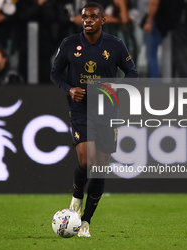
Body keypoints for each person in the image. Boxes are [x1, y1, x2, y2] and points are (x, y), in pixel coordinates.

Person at [50, 2, 138, 237]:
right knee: (85, 158)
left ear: (103, 20)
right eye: (84, 16)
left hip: (107, 111)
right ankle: (77, 196)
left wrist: (116, 88)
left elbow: (132, 73)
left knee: (99, 167)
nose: (87, 20)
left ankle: (85, 222)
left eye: (93, 16)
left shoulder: (115, 45)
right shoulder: (70, 44)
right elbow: (55, 72)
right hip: (80, 109)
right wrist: (69, 89)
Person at [140, 0, 185, 78]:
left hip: (159, 21)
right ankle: (167, 80)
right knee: (167, 55)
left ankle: (155, 83)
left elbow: (154, 2)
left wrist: (149, 21)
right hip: (174, 21)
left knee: (153, 55)